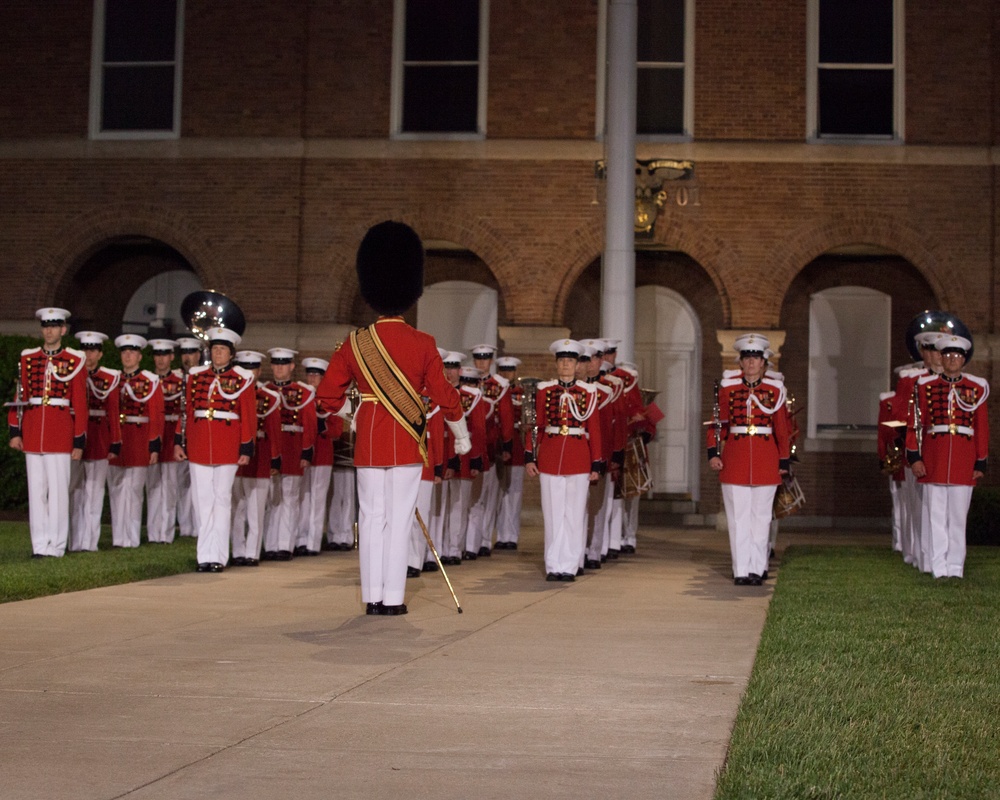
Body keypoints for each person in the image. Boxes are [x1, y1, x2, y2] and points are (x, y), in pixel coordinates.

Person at [316, 220, 470, 617]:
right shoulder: (423, 343)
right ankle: (393, 599)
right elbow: (443, 395)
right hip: (406, 443)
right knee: (399, 519)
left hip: (368, 440)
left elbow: (327, 397)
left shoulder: (354, 343)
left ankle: (371, 597)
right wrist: (460, 432)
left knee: (370, 519)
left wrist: (356, 411)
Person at [707, 333, 790, 586]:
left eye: (757, 358)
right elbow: (717, 423)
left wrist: (784, 460)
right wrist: (713, 452)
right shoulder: (728, 389)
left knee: (761, 517)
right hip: (736, 456)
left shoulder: (775, 391)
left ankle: (758, 567)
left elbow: (782, 429)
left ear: (764, 363)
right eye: (747, 358)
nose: (752, 362)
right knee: (738, 518)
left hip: (766, 457)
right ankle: (741, 569)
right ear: (740, 363)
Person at [8, 308, 88, 557]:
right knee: (37, 492)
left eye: (54, 326)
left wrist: (78, 440)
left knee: (58, 493)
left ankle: (56, 545)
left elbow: (80, 403)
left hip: (60, 432)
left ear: (63, 330)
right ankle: (39, 545)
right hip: (33, 430)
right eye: (45, 326)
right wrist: (15, 430)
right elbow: (20, 396)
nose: (49, 330)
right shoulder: (28, 358)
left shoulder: (75, 360)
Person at [174, 327, 256, 572]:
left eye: (223, 349)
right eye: (215, 349)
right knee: (201, 501)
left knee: (221, 500)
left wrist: (246, 446)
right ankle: (204, 556)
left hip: (228, 444)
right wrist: (179, 440)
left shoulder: (242, 378)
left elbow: (248, 415)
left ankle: (219, 556)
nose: (218, 353)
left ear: (231, 354)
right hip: (199, 443)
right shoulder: (197, 376)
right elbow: (187, 412)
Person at [907, 334, 989, 579]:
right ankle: (938, 567)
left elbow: (981, 427)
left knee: (957, 519)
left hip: (964, 460)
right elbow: (915, 424)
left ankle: (955, 568)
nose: (952, 360)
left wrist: (980, 460)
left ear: (964, 360)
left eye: (957, 356)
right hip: (934, 457)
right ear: (941, 358)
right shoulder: (925, 387)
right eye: (948, 355)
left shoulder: (976, 389)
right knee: (935, 518)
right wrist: (914, 457)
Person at [525, 339, 603, 582]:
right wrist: (530, 455)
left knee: (573, 514)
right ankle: (553, 565)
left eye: (570, 361)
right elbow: (536, 425)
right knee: (552, 514)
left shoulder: (588, 392)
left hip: (579, 457)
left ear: (577, 365)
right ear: (557, 364)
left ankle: (568, 566)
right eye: (562, 361)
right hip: (550, 455)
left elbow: (595, 430)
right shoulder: (545, 390)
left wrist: (596, 463)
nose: (566, 365)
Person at [107, 334, 163, 548]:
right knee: (115, 489)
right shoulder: (114, 380)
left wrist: (153, 445)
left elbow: (156, 415)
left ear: (139, 356)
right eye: (124, 352)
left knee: (134, 490)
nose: (127, 356)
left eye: (132, 352)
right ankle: (118, 537)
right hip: (118, 438)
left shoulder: (149, 380)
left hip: (139, 438)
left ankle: (131, 537)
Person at [69, 331, 121, 552]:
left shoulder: (109, 378)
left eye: (92, 350)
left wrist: (115, 441)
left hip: (98, 436)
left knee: (94, 491)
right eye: (84, 350)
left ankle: (89, 542)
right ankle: (73, 540)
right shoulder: (70, 374)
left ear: (99, 354)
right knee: (73, 490)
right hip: (74, 435)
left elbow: (113, 412)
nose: (87, 355)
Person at [263, 347, 317, 561]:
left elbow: (310, 424)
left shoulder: (303, 392)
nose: (279, 368)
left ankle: (285, 544)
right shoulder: (264, 390)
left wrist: (306, 451)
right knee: (271, 498)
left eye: (283, 364)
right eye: (276, 364)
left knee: (290, 498)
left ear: (292, 366)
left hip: (293, 447)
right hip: (270, 447)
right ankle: (270, 544)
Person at [230, 350, 281, 567]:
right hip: (235, 457)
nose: (249, 373)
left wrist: (274, 459)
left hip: (259, 457)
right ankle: (237, 550)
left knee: (256, 510)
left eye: (252, 368)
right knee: (236, 508)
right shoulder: (229, 393)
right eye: (244, 368)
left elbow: (273, 431)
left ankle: (252, 552)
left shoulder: (269, 398)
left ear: (259, 371)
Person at [466, 344, 514, 557]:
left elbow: (506, 416)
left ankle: (484, 539)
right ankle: (469, 541)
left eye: (485, 359)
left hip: (492, 447)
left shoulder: (499, 385)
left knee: (488, 496)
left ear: (491, 361)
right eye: (478, 359)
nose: (481, 363)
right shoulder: (467, 383)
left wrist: (507, 443)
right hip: (470, 447)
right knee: (471, 498)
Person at [145, 339, 183, 543]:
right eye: (157, 355)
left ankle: (166, 533)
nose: (160, 359)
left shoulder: (179, 382)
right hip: (152, 434)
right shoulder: (148, 381)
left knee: (169, 486)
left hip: (170, 435)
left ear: (171, 357)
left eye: (164, 355)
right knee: (152, 486)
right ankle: (152, 532)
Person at [296, 357, 332, 557]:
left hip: (322, 454)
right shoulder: (302, 397)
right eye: (309, 374)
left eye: (316, 375)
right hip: (304, 451)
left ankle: (313, 541)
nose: (312, 378)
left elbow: (335, 428)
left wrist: (321, 424)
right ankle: (301, 538)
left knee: (317, 499)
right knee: (304, 498)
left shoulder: (328, 399)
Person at [494, 356, 526, 550]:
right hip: (498, 444)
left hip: (516, 446)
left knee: (514, 493)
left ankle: (511, 535)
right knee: (499, 494)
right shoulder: (494, 391)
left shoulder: (522, 393)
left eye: (510, 370)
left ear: (515, 373)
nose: (506, 374)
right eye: (503, 370)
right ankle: (500, 534)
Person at [174, 335, 203, 538]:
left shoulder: (202, 377)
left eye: (191, 353)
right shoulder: (175, 378)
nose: (187, 357)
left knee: (199, 485)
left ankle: (198, 526)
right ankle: (185, 527)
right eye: (184, 353)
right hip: (180, 433)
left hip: (196, 433)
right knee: (182, 485)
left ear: (199, 355)